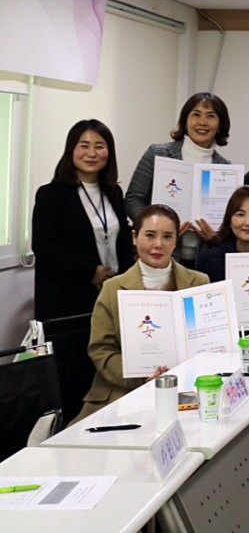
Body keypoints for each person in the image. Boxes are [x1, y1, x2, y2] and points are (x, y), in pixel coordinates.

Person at [32, 120, 136, 422]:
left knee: (105, 380)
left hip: (109, 299)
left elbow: (119, 239)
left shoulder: (113, 192)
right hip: (68, 305)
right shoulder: (51, 194)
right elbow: (44, 247)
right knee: (72, 384)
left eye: (99, 146)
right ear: (71, 150)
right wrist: (90, 269)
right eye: (84, 145)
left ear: (109, 152)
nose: (92, 153)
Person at [71, 205, 210, 424]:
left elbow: (207, 341)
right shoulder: (112, 288)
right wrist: (142, 377)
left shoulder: (200, 282)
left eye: (167, 236)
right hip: (123, 391)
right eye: (150, 235)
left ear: (176, 241)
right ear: (135, 237)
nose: (158, 244)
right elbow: (101, 350)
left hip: (185, 388)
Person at [125, 92, 232, 265]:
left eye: (210, 116)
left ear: (220, 124)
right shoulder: (158, 154)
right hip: (158, 254)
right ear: (185, 121)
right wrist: (156, 227)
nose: (202, 122)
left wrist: (218, 236)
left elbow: (229, 221)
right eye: (196, 114)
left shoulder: (226, 168)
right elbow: (133, 199)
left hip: (203, 260)